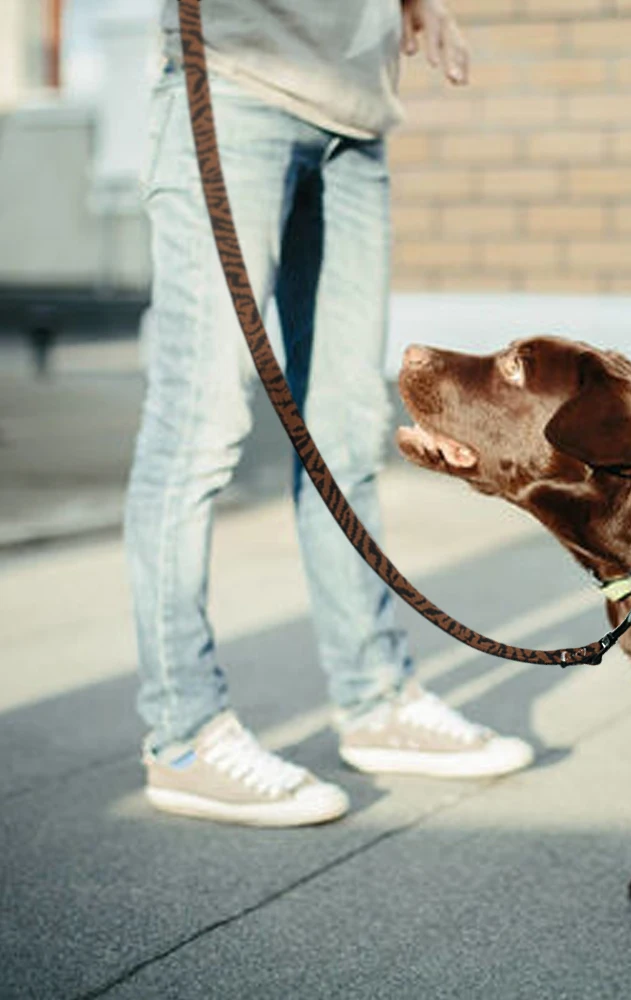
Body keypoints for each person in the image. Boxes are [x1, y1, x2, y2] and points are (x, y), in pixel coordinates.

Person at [126, 0, 533, 828]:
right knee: (197, 430)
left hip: (354, 111)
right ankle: (184, 734)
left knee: (346, 433)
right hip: (233, 83)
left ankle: (375, 697)